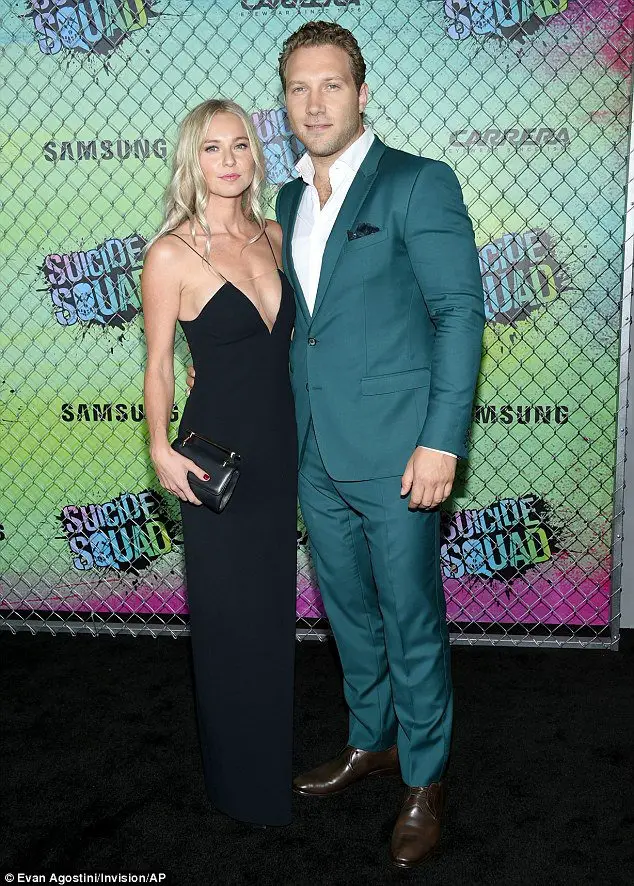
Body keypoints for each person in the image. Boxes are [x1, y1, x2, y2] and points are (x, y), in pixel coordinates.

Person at [188, 22, 485, 867]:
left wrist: (441, 443)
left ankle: (425, 777)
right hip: (313, 452)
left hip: (400, 456)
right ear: (282, 104)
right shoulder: (283, 202)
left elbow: (460, 314)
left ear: (362, 94)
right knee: (348, 614)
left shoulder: (418, 185)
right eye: (297, 88)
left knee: (410, 618)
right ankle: (371, 740)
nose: (314, 103)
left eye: (331, 86)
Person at [141, 99, 297, 827]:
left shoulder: (275, 233)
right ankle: (240, 785)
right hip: (217, 461)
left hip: (283, 447)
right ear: (190, 160)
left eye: (240, 145)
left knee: (270, 616)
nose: (229, 159)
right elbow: (160, 368)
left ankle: (272, 759)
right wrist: (157, 446)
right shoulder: (171, 253)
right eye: (212, 148)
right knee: (229, 619)